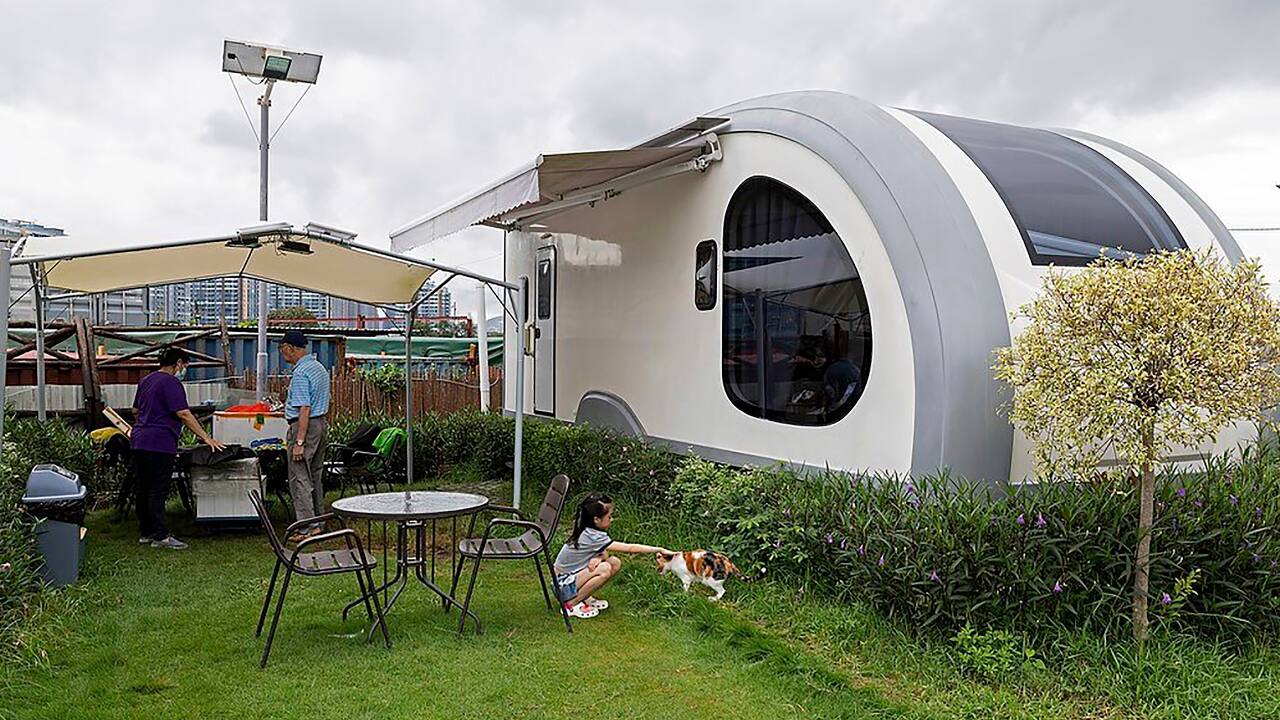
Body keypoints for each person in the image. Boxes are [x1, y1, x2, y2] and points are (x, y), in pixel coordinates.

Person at [130, 347, 224, 550]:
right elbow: (183, 413)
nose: (184, 369)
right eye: (185, 365)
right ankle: (161, 536)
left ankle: (146, 531)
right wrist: (206, 438)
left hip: (139, 439)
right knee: (157, 489)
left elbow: (135, 411)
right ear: (178, 363)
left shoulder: (147, 380)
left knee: (143, 488)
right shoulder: (171, 382)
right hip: (159, 443)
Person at [553, 492, 671, 619]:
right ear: (596, 519)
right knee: (605, 569)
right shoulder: (592, 536)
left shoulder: (588, 530)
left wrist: (598, 558)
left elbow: (605, 553)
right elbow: (629, 548)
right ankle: (570, 605)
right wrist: (659, 549)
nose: (612, 519)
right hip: (562, 585)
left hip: (567, 580)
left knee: (614, 562)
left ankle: (584, 597)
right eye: (609, 517)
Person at [279, 329, 331, 542]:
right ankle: (319, 521)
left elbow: (304, 409)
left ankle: (306, 528)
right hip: (320, 425)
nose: (283, 355)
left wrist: (299, 441)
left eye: (283, 350)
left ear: (291, 348)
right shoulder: (319, 368)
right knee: (315, 475)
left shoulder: (300, 373)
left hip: (305, 427)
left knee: (299, 476)